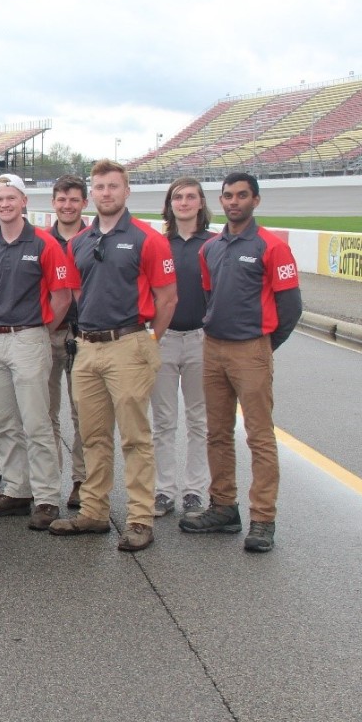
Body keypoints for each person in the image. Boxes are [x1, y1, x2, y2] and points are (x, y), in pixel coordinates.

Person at [49, 160, 176, 552]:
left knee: (135, 438)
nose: (106, 193)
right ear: (93, 193)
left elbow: (167, 298)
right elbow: (77, 293)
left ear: (127, 191)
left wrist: (148, 340)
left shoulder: (148, 239)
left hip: (129, 343)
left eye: (113, 187)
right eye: (100, 187)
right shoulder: (80, 242)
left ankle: (139, 518)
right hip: (87, 347)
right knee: (92, 436)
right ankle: (93, 511)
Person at [180, 173, 301, 553]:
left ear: (256, 201)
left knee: (259, 437)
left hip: (251, 349)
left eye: (242, 196)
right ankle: (223, 507)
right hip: (212, 347)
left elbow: (291, 308)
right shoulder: (210, 248)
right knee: (216, 433)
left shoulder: (272, 247)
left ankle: (263, 519)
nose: (234, 202)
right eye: (228, 196)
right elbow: (208, 296)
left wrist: (263, 347)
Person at [0, 174, 72, 531]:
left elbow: (61, 297)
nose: (3, 204)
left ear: (24, 201)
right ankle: (17, 489)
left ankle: (46, 497)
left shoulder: (44, 244)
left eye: (10, 198)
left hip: (30, 336)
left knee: (36, 422)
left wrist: (38, 331)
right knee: (4, 421)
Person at [150, 176, 214, 518]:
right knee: (163, 420)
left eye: (191, 197)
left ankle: (194, 491)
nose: (185, 202)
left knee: (198, 420)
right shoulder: (159, 245)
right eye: (178, 197)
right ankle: (163, 490)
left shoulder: (215, 244)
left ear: (201, 203)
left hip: (201, 340)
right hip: (164, 338)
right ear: (170, 204)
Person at [47, 175, 89, 508]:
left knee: (84, 413)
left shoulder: (94, 239)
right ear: (53, 203)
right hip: (46, 332)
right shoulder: (41, 241)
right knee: (44, 413)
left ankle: (81, 481)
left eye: (73, 199)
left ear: (83, 204)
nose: (67, 205)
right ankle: (48, 481)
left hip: (84, 333)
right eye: (61, 199)